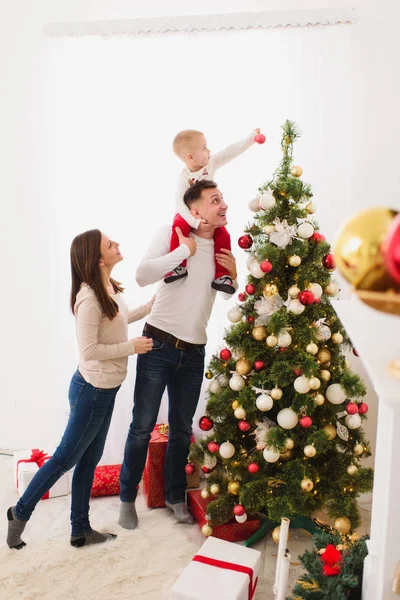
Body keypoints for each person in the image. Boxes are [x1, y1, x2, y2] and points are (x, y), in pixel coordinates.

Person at [6, 229, 153, 549]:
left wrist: (151, 307)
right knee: (64, 459)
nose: (117, 245)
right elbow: (89, 351)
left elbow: (119, 318)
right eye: (110, 244)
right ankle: (19, 513)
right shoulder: (88, 298)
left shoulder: (109, 287)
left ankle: (80, 529)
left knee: (90, 459)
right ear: (98, 259)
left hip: (104, 390)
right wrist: (132, 347)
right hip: (92, 392)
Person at [119, 179, 238, 529]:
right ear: (196, 209)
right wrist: (183, 251)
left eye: (224, 199)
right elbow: (141, 276)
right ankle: (127, 499)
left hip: (194, 351)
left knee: (182, 430)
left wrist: (234, 273)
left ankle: (174, 496)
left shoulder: (221, 245)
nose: (224, 205)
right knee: (142, 426)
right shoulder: (172, 234)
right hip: (157, 344)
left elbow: (227, 294)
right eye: (216, 200)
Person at [164, 128, 262, 293]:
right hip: (187, 215)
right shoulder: (184, 177)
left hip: (206, 214)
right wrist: (194, 222)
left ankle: (222, 276)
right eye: (204, 148)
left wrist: (251, 138)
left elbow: (229, 152)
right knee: (178, 228)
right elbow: (180, 205)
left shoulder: (210, 164)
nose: (209, 150)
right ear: (190, 157)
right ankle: (177, 267)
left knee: (223, 235)